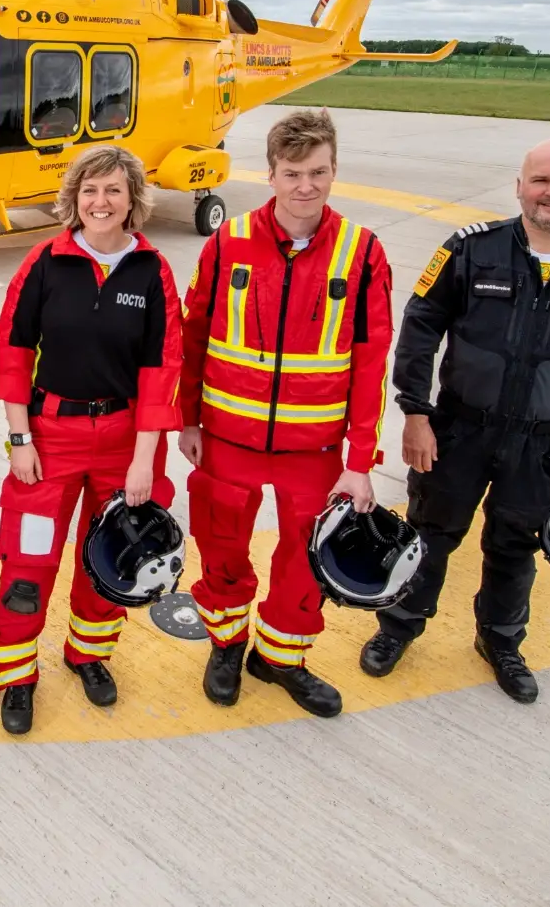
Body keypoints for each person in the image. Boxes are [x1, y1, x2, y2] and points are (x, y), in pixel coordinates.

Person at [360, 138, 550, 702]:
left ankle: (500, 641)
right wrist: (415, 413)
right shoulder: (471, 250)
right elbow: (420, 328)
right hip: (459, 431)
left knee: (515, 544)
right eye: (541, 179)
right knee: (429, 534)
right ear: (519, 186)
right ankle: (398, 628)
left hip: (545, 442)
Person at [179, 108, 393, 718]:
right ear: (271, 174)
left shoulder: (362, 252)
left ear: (334, 171)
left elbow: (370, 362)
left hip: (317, 451)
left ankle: (281, 658)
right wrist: (188, 419)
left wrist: (358, 460)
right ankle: (226, 645)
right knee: (221, 548)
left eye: (319, 172)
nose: (307, 186)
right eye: (293, 172)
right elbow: (193, 336)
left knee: (306, 561)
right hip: (227, 438)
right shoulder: (228, 242)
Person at [0, 145, 182, 735]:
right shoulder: (45, 262)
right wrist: (20, 438)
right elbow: (12, 356)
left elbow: (161, 370)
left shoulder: (152, 270)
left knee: (112, 559)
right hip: (50, 437)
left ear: (132, 200)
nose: (101, 202)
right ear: (74, 198)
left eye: (114, 191)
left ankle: (87, 654)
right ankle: (15, 675)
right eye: (90, 191)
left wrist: (144, 461)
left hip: (124, 443)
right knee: (28, 559)